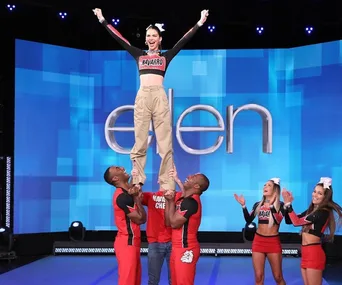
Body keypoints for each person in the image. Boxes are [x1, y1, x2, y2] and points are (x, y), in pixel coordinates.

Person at [93, 8, 209, 193]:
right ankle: (138, 181)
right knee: (140, 141)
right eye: (148, 35)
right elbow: (120, 39)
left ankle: (167, 184)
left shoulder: (165, 57)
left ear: (160, 38)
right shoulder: (139, 54)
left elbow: (183, 41)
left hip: (159, 97)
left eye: (154, 35)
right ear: (145, 39)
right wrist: (102, 19)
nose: (151, 38)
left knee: (165, 142)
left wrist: (200, 22)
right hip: (143, 96)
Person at [282, 177, 342, 285]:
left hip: (314, 254)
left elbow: (296, 222)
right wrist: (287, 205)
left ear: (325, 197)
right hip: (305, 252)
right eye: (314, 191)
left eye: (320, 193)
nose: (315, 195)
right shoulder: (311, 211)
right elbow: (288, 220)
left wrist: (288, 205)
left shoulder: (322, 212)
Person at [234, 178, 290, 285]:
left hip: (273, 242)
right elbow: (249, 219)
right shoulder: (258, 204)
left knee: (278, 277)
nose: (265, 187)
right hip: (258, 241)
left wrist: (272, 207)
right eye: (264, 185)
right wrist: (243, 206)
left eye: (268, 185)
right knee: (258, 277)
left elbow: (278, 220)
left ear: (275, 190)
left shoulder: (282, 205)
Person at [164, 172, 210, 285]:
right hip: (176, 248)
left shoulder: (191, 203)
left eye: (192, 177)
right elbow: (168, 222)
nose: (188, 176)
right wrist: (176, 180)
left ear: (197, 186)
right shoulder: (185, 200)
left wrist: (170, 201)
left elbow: (174, 224)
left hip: (186, 249)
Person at [104, 165, 146, 285]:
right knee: (128, 281)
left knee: (135, 280)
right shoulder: (122, 197)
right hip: (127, 243)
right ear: (115, 178)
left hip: (133, 242)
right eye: (118, 169)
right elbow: (141, 219)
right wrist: (137, 200)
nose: (122, 167)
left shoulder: (127, 193)